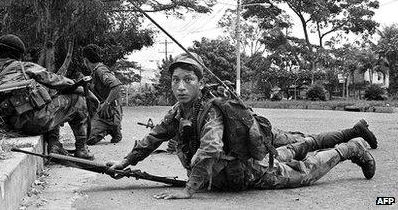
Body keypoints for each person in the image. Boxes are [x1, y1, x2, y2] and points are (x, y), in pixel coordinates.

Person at [108, 52, 376, 199]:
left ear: (199, 83)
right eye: (176, 79)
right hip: (248, 161)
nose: (180, 86)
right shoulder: (179, 111)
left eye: (188, 79)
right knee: (296, 147)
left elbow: (211, 148)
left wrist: (190, 189)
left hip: (253, 172)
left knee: (307, 170)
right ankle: (350, 136)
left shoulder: (210, 110)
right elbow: (153, 138)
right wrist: (125, 162)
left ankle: (350, 148)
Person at [0, 34, 96, 159]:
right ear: (17, 54)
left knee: (49, 100)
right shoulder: (25, 67)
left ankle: (55, 144)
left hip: (8, 127)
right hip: (34, 123)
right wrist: (82, 89)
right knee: (76, 100)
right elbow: (56, 81)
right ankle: (82, 149)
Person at [82, 44, 124, 145]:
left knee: (86, 139)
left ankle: (110, 127)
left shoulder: (100, 70)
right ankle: (113, 128)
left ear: (85, 60)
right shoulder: (96, 71)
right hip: (108, 111)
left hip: (109, 112)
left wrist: (106, 104)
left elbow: (116, 85)